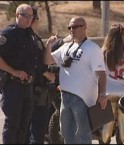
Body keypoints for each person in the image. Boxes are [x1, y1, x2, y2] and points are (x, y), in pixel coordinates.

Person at [43, 16, 108, 144]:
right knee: (66, 133)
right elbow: (47, 61)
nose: (72, 29)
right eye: (70, 27)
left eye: (75, 26)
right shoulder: (66, 47)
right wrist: (48, 45)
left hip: (83, 99)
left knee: (83, 134)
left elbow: (102, 73)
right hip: (65, 97)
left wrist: (102, 94)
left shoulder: (92, 48)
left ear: (84, 28)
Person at [0, 4, 38, 144]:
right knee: (12, 125)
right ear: (17, 15)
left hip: (27, 87)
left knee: (24, 126)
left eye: (31, 16)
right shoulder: (8, 34)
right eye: (26, 16)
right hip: (13, 86)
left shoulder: (30, 34)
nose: (29, 19)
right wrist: (14, 71)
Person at [25, 8, 55, 144]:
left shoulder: (26, 36)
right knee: (38, 128)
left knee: (25, 127)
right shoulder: (32, 39)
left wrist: (48, 45)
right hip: (37, 90)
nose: (37, 22)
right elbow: (37, 63)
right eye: (36, 19)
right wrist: (47, 74)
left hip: (28, 89)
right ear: (33, 20)